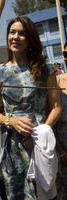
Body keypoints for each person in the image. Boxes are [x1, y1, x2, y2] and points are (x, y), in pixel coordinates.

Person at [0, 16, 61, 200]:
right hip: (12, 146)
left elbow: (56, 106)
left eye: (22, 33)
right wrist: (10, 120)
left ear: (30, 39)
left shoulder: (46, 69)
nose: (15, 37)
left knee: (44, 191)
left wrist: (40, 131)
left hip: (39, 142)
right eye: (12, 32)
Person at [53, 42, 67, 200]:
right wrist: (61, 151)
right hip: (62, 142)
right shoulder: (55, 82)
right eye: (65, 54)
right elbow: (51, 119)